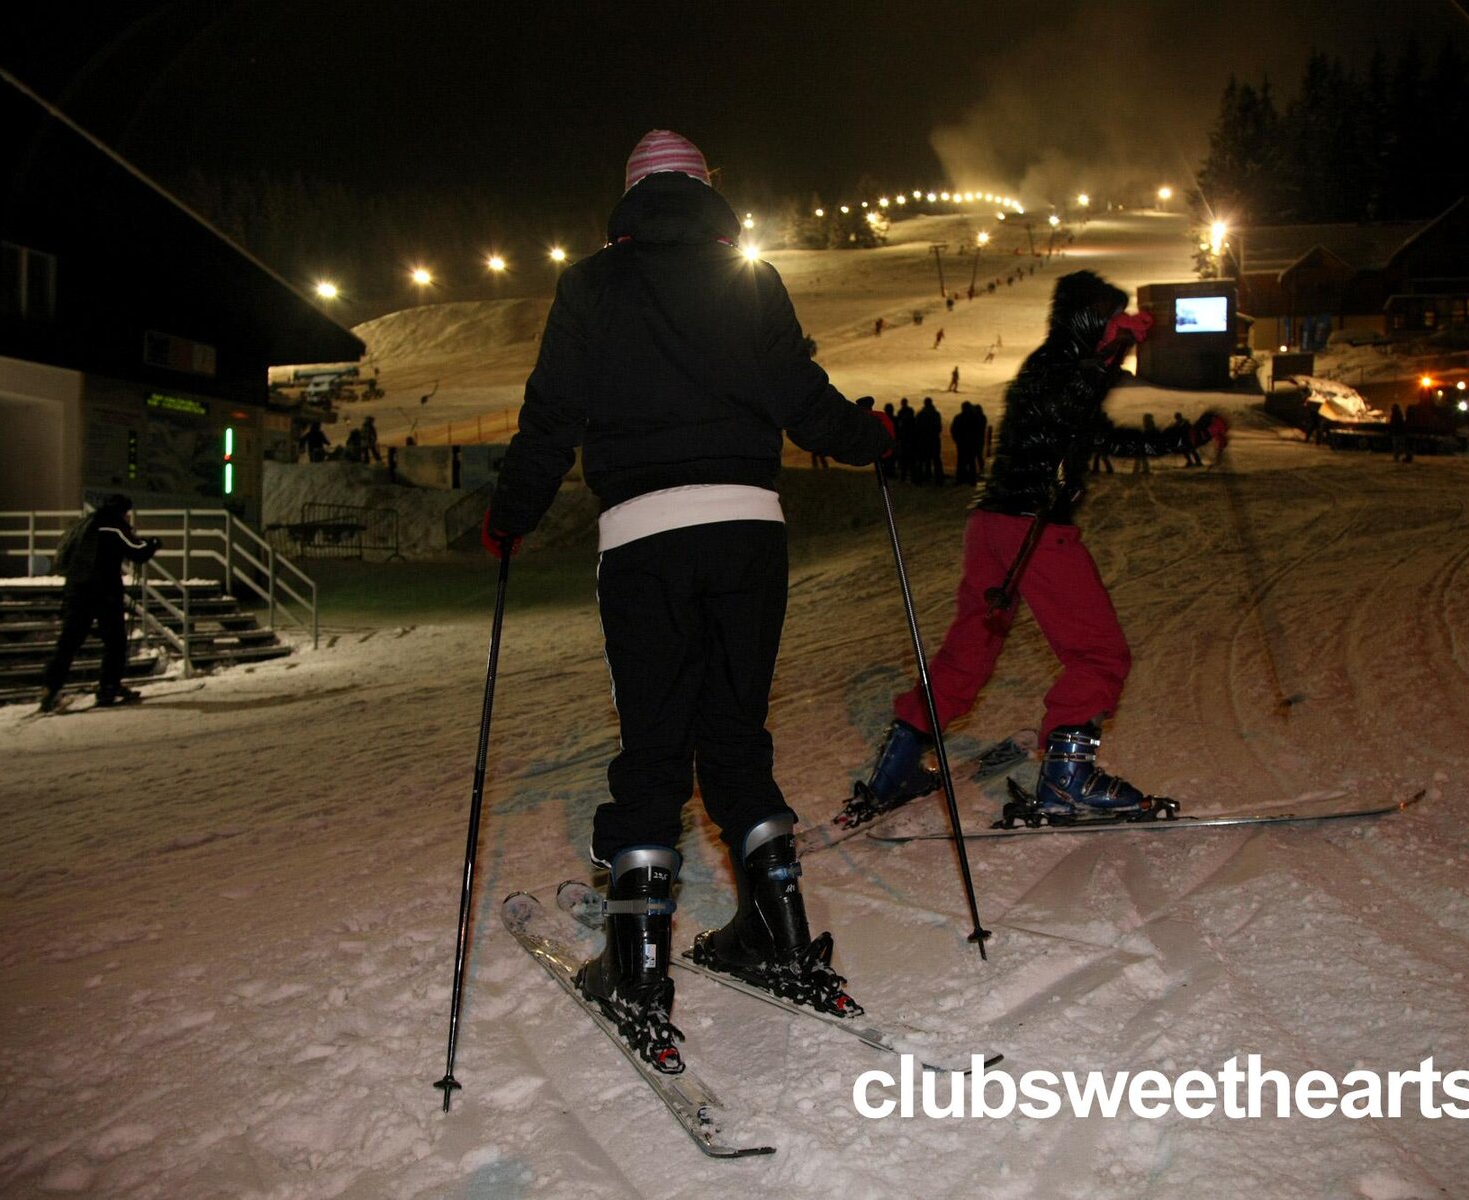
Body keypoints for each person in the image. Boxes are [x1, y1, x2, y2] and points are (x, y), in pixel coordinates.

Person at [484, 130, 889, 1068]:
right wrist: (869, 438)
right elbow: (801, 395)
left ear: (631, 199)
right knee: (735, 732)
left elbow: (550, 414)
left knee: (656, 744)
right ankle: (779, 934)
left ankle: (636, 970)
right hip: (749, 532)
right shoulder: (750, 278)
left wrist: (510, 515)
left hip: (645, 539)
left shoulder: (591, 286)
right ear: (708, 193)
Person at [854, 271, 1155, 819]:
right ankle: (1067, 779)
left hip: (991, 525)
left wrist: (1187, 436)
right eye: (1110, 317)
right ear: (1090, 319)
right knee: (1100, 653)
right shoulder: (1059, 368)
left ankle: (897, 764)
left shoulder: (1059, 367)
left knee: (970, 649)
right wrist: (1109, 356)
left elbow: (1096, 434)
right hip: (1032, 529)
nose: (1118, 326)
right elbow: (1066, 406)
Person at [38, 494, 162, 712]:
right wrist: (153, 544)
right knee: (115, 641)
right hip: (104, 592)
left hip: (76, 589)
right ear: (122, 511)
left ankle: (50, 688)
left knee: (69, 641)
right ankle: (109, 687)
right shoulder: (114, 527)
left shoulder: (85, 525)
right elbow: (137, 552)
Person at [916, 397, 946, 485]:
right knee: (936, 460)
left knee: (923, 460)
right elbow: (939, 428)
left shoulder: (921, 414)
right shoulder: (936, 414)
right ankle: (938, 479)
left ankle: (921, 478)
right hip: (934, 440)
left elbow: (917, 428)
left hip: (923, 440)